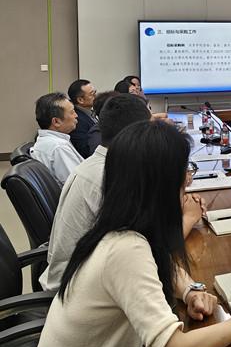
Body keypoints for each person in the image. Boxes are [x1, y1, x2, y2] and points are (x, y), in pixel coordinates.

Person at [35, 120, 231, 347]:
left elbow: (160, 262)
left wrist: (189, 291)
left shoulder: (118, 228)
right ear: (162, 188)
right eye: (183, 177)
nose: (186, 187)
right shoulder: (124, 248)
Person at [42, 93, 179, 291]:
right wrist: (187, 215)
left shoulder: (99, 162)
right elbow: (149, 246)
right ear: (136, 135)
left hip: (86, 270)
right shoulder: (110, 176)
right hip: (78, 286)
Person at [30, 92, 84, 186]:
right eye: (72, 112)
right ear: (56, 121)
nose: (76, 115)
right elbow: (79, 185)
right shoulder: (58, 147)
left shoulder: (46, 140)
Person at [67, 79, 98, 158]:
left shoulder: (92, 111)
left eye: (95, 92)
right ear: (80, 100)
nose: (96, 96)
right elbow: (85, 150)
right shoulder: (77, 120)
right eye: (92, 94)